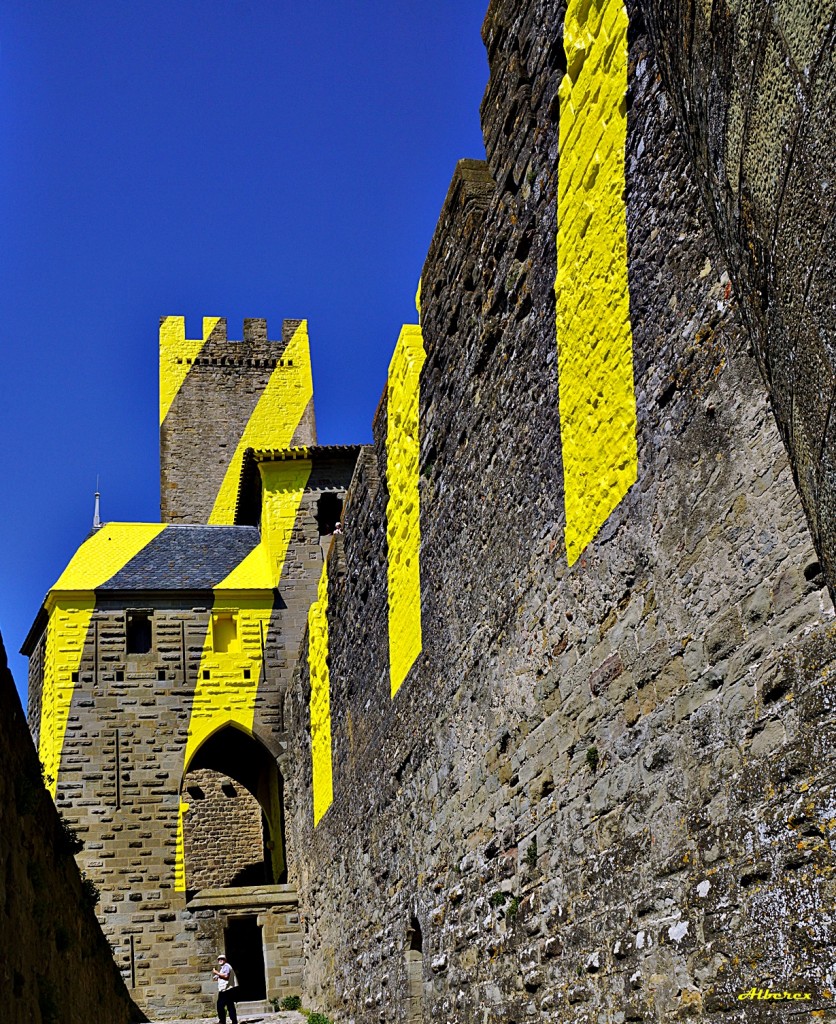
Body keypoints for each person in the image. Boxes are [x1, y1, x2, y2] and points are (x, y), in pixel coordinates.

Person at [212, 953, 238, 1024]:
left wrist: (216, 972)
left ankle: (222, 1021)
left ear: (225, 960)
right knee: (230, 1005)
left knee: (221, 1005)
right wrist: (217, 976)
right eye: (219, 959)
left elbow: (226, 976)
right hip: (225, 989)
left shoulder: (226, 966)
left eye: (222, 959)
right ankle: (233, 1021)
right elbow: (223, 976)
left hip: (226, 990)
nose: (220, 960)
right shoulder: (223, 968)